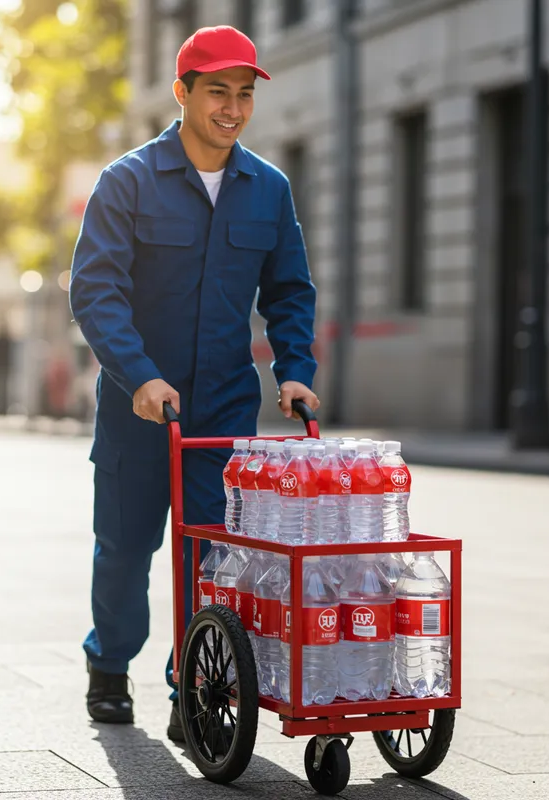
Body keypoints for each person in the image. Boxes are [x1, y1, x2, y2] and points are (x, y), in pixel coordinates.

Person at [69, 25, 319, 741]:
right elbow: (96, 292)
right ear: (181, 93)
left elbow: (290, 291)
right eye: (217, 93)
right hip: (137, 409)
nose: (232, 109)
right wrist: (140, 376)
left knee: (212, 556)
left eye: (243, 95)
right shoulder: (128, 181)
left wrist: (296, 370)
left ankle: (195, 686)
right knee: (125, 546)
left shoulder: (267, 189)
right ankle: (110, 665)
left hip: (222, 411)